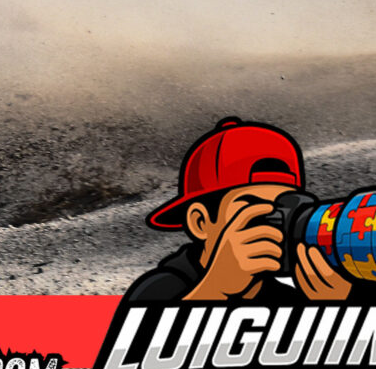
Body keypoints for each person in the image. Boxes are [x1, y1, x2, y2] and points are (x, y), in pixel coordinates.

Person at [125, 117, 360, 306]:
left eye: (287, 209)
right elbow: (133, 344)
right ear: (200, 222)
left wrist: (338, 306)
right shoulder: (163, 288)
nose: (276, 224)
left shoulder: (285, 295)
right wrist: (215, 289)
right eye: (253, 209)